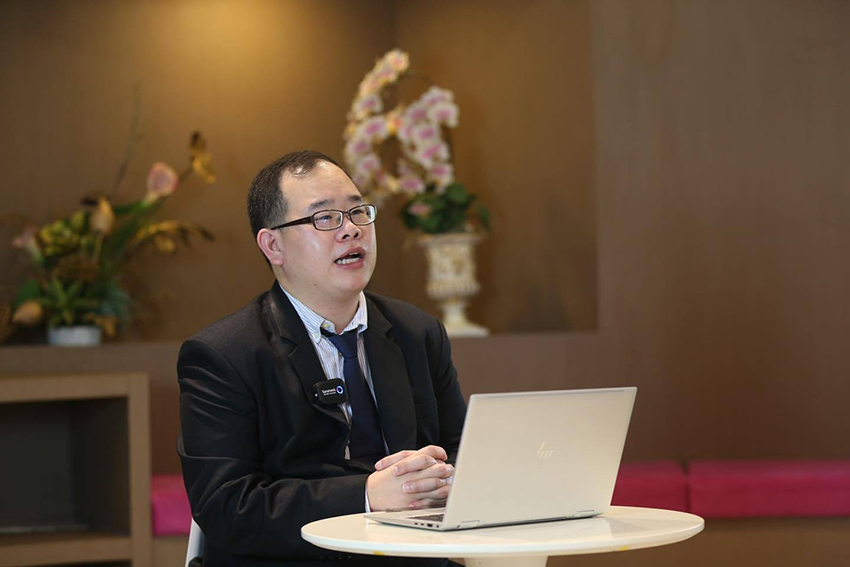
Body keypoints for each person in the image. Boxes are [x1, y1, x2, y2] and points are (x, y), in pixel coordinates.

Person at [178, 150, 467, 567]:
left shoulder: (417, 333)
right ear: (273, 245)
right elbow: (227, 507)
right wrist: (367, 495)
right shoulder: (224, 355)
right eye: (325, 218)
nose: (351, 230)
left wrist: (442, 477)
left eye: (358, 212)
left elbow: (460, 451)